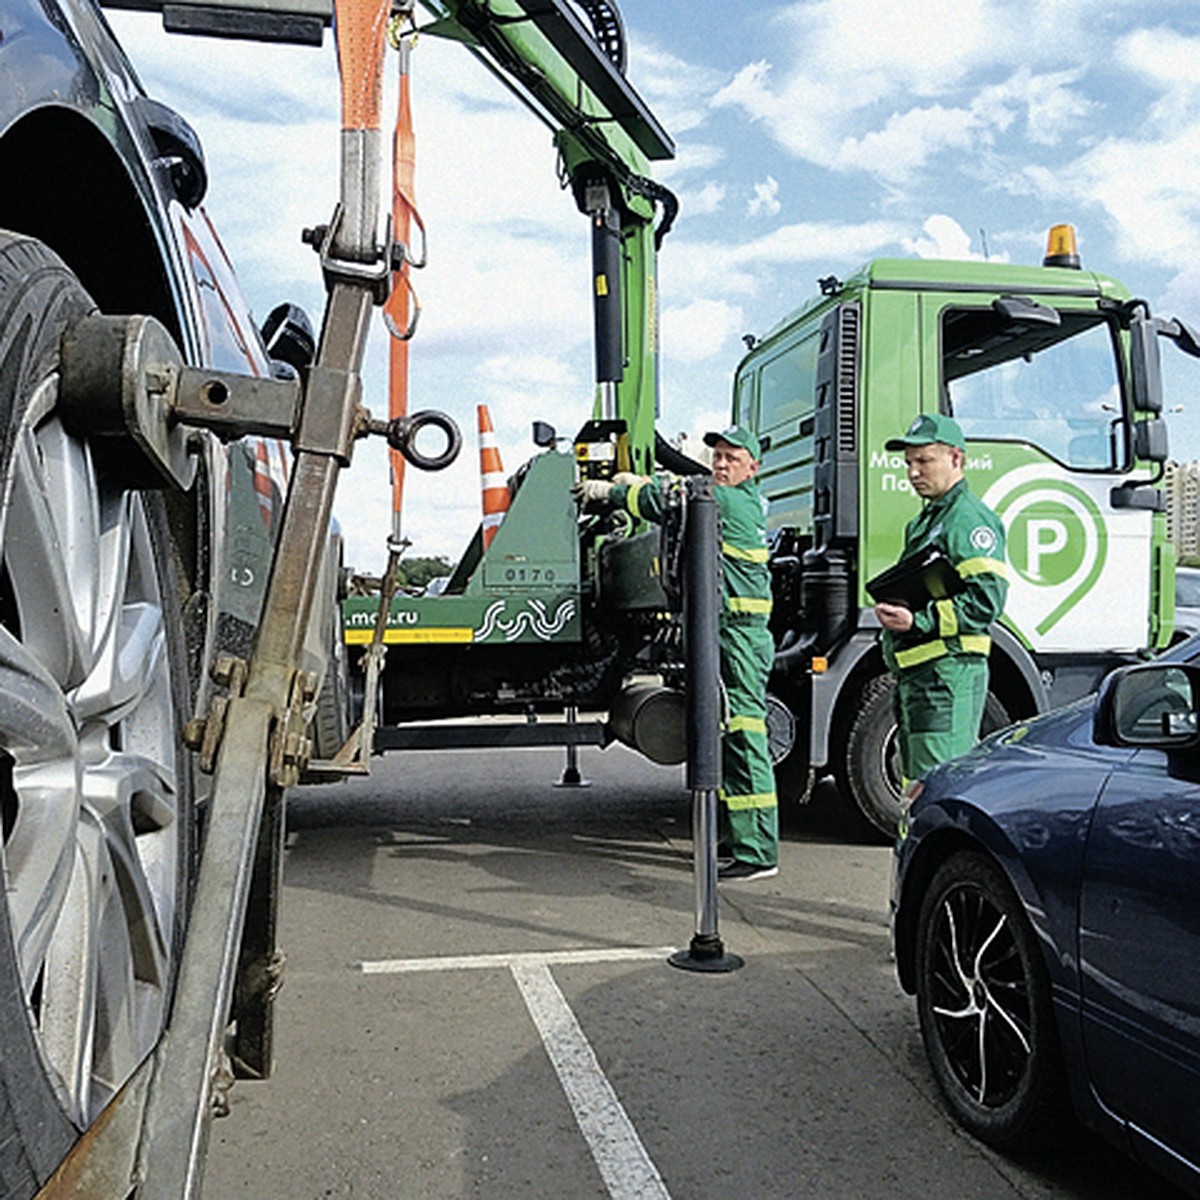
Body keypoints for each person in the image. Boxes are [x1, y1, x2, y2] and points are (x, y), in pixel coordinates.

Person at [573, 426, 778, 882]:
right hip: (724, 635)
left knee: (744, 738)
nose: (721, 464)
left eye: (732, 458)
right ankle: (740, 838)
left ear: (753, 467)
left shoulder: (732, 502)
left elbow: (669, 501)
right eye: (718, 456)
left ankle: (759, 850)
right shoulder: (725, 498)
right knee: (726, 737)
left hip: (738, 638)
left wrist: (616, 490)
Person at [874, 413, 1008, 783]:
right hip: (923, 679)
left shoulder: (968, 519)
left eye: (924, 461)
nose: (914, 472)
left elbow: (986, 602)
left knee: (936, 788)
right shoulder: (927, 520)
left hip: (947, 678)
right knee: (917, 788)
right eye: (909, 464)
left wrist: (918, 621)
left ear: (956, 459)